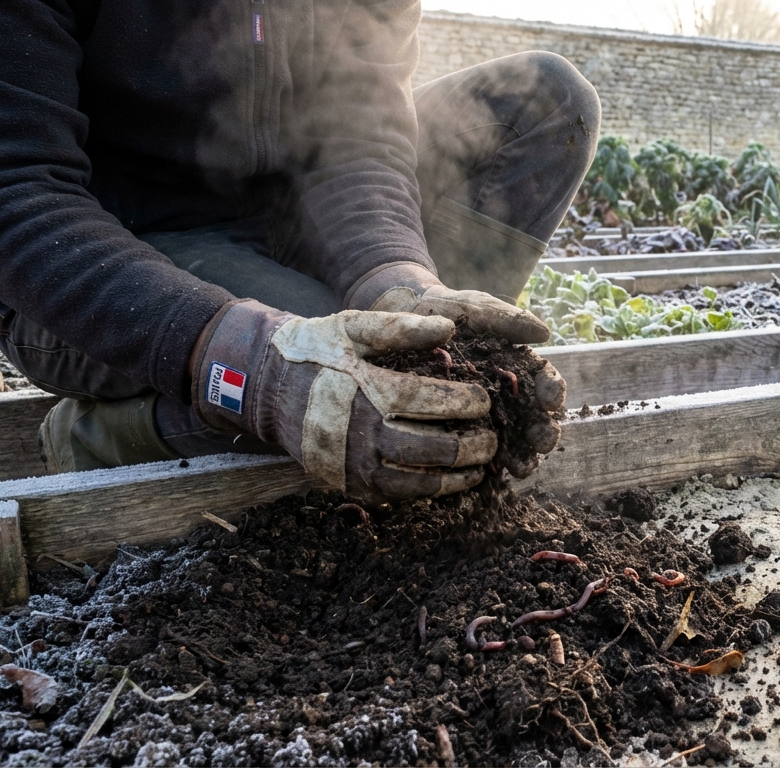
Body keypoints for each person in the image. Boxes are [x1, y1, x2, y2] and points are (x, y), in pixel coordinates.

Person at [0, 1, 599, 502]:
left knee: (547, 102)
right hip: (100, 250)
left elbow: (356, 140)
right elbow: (18, 191)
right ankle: (114, 436)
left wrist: (399, 280)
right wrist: (256, 364)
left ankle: (410, 403)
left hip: (283, 214)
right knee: (335, 378)